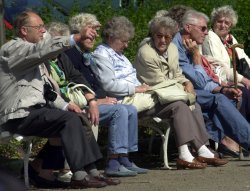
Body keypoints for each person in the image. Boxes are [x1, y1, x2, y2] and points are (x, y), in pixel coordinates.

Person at [91, 16, 227, 169]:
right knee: (182, 103)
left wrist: (185, 82)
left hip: (147, 96)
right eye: (123, 41)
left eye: (167, 37)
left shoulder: (121, 54)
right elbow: (155, 82)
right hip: (136, 99)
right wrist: (136, 88)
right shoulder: (123, 54)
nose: (127, 45)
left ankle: (199, 148)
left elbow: (176, 74)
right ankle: (186, 153)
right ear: (111, 37)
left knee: (190, 104)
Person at [0, 10, 111, 189]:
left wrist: (67, 105)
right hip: (17, 115)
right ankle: (79, 175)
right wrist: (75, 37)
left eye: (44, 26)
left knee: (78, 116)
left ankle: (93, 172)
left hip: (35, 112)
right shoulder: (12, 49)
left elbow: (48, 92)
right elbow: (40, 50)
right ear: (23, 31)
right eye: (39, 27)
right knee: (68, 120)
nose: (43, 31)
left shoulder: (34, 61)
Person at [63, 14, 147, 176]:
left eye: (96, 31)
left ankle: (124, 158)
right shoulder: (71, 54)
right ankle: (113, 162)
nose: (94, 35)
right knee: (120, 110)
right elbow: (74, 87)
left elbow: (93, 84)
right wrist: (98, 100)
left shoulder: (84, 54)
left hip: (95, 101)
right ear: (77, 33)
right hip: (82, 105)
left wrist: (100, 99)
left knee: (129, 109)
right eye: (91, 31)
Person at [172, 9, 250, 153]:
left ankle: (216, 144)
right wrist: (196, 56)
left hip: (196, 92)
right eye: (203, 28)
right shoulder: (176, 48)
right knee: (219, 100)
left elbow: (205, 82)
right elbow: (200, 82)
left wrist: (223, 89)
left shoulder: (190, 44)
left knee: (228, 96)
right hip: (179, 93)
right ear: (188, 28)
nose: (206, 32)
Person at [202, 5, 250, 89]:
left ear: (231, 26)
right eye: (219, 21)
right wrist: (244, 80)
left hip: (238, 77)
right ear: (213, 22)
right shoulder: (210, 37)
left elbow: (245, 58)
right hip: (223, 82)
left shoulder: (230, 38)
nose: (223, 25)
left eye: (226, 23)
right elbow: (219, 67)